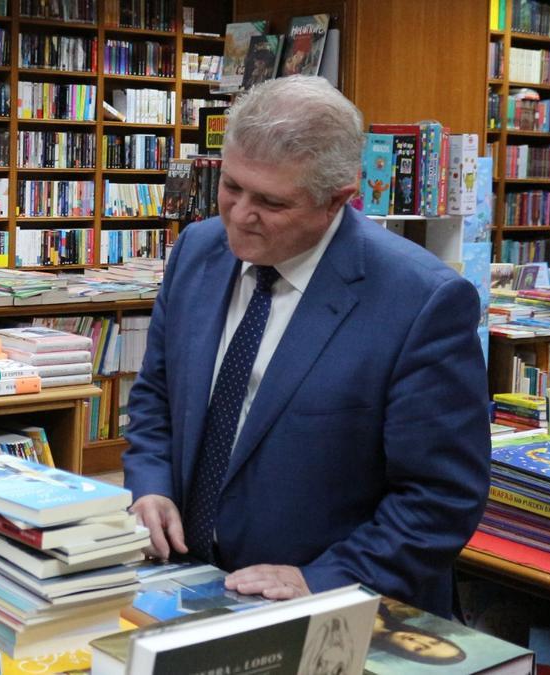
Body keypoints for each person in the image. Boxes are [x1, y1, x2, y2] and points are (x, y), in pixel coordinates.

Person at [122, 75, 490, 618]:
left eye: (271, 201)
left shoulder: (421, 302)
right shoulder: (198, 252)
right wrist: (149, 487)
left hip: (330, 605)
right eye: (231, 185)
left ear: (337, 200)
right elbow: (157, 394)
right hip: (189, 581)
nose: (240, 214)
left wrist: (324, 579)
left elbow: (440, 497)